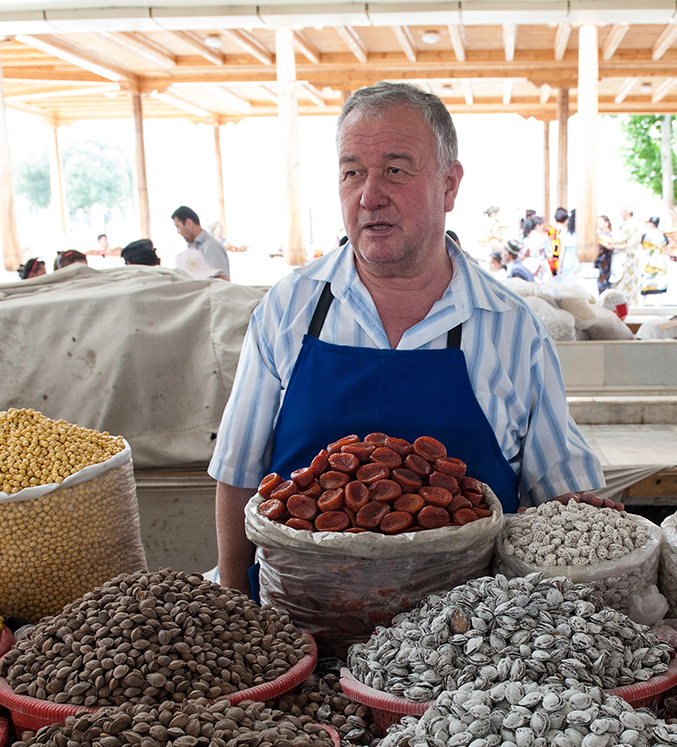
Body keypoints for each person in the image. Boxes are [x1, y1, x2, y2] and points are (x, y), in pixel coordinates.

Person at [207, 81, 610, 594]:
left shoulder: (511, 327)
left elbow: (562, 494)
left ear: (449, 185)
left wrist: (588, 524)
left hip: (469, 630)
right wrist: (237, 608)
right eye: (353, 172)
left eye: (395, 170)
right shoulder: (289, 308)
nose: (369, 196)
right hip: (301, 621)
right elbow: (238, 473)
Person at [172, 206, 230, 280]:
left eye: (178, 227)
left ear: (188, 223)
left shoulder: (211, 246)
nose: (179, 232)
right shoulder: (194, 248)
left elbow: (222, 280)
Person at [614, 207, 642, 305]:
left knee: (628, 283)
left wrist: (616, 246)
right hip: (621, 256)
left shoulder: (632, 224)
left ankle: (628, 305)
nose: (620, 213)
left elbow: (632, 244)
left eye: (622, 211)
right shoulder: (626, 224)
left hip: (629, 258)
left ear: (628, 212)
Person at [639, 216, 669, 300]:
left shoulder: (646, 235)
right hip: (660, 262)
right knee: (659, 290)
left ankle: (642, 305)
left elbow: (643, 248)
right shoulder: (662, 235)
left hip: (648, 262)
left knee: (644, 288)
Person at [596, 214, 615, 293]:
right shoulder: (600, 235)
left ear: (606, 223)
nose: (598, 223)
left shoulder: (605, 236)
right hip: (602, 263)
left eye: (600, 221)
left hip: (604, 262)